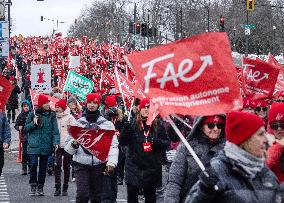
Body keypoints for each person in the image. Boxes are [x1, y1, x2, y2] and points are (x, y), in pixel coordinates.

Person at [186, 111, 283, 203]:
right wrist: (204, 192)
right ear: (245, 139)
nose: (266, 140)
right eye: (261, 134)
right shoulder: (218, 170)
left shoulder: (265, 173)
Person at [64, 93, 119, 203]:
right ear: (86, 103)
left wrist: (111, 163)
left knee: (97, 197)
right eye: (90, 102)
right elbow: (67, 147)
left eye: (94, 103)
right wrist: (74, 144)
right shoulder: (78, 124)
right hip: (81, 164)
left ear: (98, 105)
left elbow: (113, 145)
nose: (92, 105)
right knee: (82, 195)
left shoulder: (107, 124)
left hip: (100, 164)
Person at [164, 115, 225, 203]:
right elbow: (174, 182)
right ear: (200, 126)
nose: (216, 129)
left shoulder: (226, 149)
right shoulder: (186, 147)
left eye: (219, 125)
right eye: (211, 125)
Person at [119, 98, 170, 203]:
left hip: (151, 168)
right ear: (139, 109)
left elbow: (166, 143)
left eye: (149, 107)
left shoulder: (158, 125)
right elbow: (123, 142)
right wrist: (125, 132)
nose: (146, 110)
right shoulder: (132, 124)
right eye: (144, 108)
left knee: (150, 197)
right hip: (133, 167)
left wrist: (156, 143)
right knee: (132, 198)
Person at [23, 94, 60, 196]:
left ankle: (40, 186)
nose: (47, 104)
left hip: (46, 144)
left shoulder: (51, 115)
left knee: (43, 167)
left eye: (48, 102)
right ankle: (33, 184)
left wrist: (55, 142)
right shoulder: (32, 114)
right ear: (40, 104)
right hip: (34, 144)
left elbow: (55, 130)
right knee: (33, 164)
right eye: (45, 103)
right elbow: (25, 129)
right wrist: (33, 124)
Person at [54, 99, 76, 196]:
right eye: (56, 107)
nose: (56, 109)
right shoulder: (54, 117)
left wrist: (71, 141)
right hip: (57, 145)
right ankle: (57, 187)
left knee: (66, 166)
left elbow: (75, 130)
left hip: (67, 145)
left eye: (58, 107)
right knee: (57, 165)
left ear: (62, 107)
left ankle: (65, 187)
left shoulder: (70, 117)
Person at [266, 102, 284, 182]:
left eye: (283, 124)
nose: (279, 129)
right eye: (274, 125)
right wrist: (278, 147)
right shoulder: (264, 144)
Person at [14, 99, 32, 175]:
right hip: (24, 137)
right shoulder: (20, 115)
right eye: (24, 106)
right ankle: (24, 168)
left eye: (27, 106)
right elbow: (16, 125)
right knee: (24, 153)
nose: (26, 107)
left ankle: (31, 167)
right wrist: (19, 127)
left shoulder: (32, 114)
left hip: (31, 136)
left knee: (31, 153)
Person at [0, 108, 11, 176]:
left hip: (0, 143)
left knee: (0, 164)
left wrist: (6, 141)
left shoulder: (2, 114)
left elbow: (6, 129)